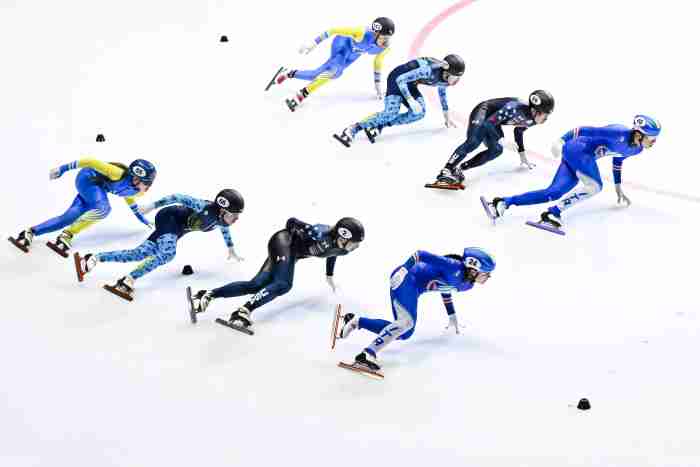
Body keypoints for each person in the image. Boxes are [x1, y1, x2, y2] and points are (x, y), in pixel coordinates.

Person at [480, 115, 661, 233]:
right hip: (578, 149)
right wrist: (560, 140)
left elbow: (618, 159)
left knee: (553, 192)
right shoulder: (618, 132)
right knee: (595, 186)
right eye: (651, 139)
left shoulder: (637, 149)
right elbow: (582, 129)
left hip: (580, 157)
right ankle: (553, 213)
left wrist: (618, 187)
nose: (653, 143)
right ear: (638, 134)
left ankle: (501, 203)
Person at [335, 247, 495, 372]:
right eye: (486, 273)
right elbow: (420, 254)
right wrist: (404, 269)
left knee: (405, 333)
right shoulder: (453, 266)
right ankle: (367, 354)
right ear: (473, 269)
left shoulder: (467, 284)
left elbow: (445, 289)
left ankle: (356, 321)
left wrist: (452, 315)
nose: (488, 277)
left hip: (415, 288)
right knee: (405, 323)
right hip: (406, 277)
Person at [190, 217, 364, 331]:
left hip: (292, 253)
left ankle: (207, 295)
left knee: (256, 284)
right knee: (283, 284)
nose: (354, 247)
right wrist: (297, 232)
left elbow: (333, 254)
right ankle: (244, 311)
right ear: (342, 236)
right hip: (283, 242)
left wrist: (329, 275)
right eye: (353, 243)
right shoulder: (320, 232)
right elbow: (292, 221)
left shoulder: (343, 249)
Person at [73, 190, 244, 301]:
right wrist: (151, 206)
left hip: (177, 230)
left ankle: (92, 259)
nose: (236, 219)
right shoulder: (204, 207)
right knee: (168, 253)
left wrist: (231, 248)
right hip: (169, 217)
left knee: (138, 254)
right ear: (222, 210)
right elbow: (177, 197)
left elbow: (225, 231)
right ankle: (129, 280)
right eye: (234, 215)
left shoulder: (222, 222)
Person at [8, 158, 156, 256]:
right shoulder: (118, 173)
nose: (148, 187)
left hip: (96, 190)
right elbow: (90, 161)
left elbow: (131, 204)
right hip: (87, 178)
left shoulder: (135, 192)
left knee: (69, 217)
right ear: (137, 178)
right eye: (147, 183)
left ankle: (30, 232)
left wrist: (143, 220)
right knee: (104, 208)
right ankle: (68, 234)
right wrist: (62, 169)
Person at [333, 54, 465, 147]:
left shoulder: (446, 79)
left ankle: (379, 125)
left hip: (410, 84)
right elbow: (401, 80)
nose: (456, 81)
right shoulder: (428, 71)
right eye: (455, 77)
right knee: (391, 113)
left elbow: (442, 92)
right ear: (446, 71)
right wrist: (410, 100)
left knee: (419, 113)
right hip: (397, 79)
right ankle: (353, 129)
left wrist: (446, 117)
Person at [266, 17, 395, 111]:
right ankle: (303, 94)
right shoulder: (360, 32)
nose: (385, 41)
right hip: (341, 46)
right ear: (375, 33)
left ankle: (289, 73)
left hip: (350, 57)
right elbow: (332, 30)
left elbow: (378, 64)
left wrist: (378, 86)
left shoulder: (384, 47)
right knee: (335, 71)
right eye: (383, 37)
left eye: (388, 38)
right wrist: (313, 43)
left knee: (317, 75)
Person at [435, 90, 554, 186]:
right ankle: (446, 170)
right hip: (483, 112)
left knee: (496, 150)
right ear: (536, 111)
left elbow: (518, 131)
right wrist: (501, 139)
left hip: (494, 121)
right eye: (545, 115)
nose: (546, 119)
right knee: (473, 141)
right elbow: (487, 123)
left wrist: (522, 155)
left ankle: (459, 169)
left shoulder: (534, 120)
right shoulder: (514, 107)